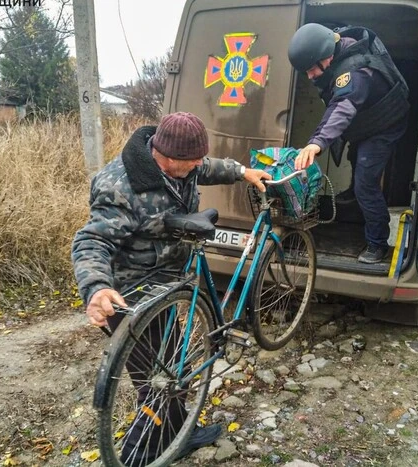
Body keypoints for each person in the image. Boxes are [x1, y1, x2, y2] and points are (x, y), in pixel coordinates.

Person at [71, 111, 271, 466]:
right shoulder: (120, 186)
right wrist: (97, 288)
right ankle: (136, 456)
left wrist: (243, 172)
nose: (196, 167)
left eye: (197, 159)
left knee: (174, 364)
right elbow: (92, 241)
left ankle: (180, 431)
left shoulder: (185, 162)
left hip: (167, 285)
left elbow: (208, 166)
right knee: (154, 384)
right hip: (131, 293)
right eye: (189, 162)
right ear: (163, 156)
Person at [288, 23, 410, 263]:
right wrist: (317, 140)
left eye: (312, 70)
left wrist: (316, 143)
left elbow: (343, 107)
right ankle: (356, 192)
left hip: (385, 122)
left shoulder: (354, 71)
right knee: (357, 156)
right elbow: (335, 108)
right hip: (366, 120)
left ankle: (377, 243)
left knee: (367, 181)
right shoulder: (333, 48)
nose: (310, 76)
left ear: (327, 57)